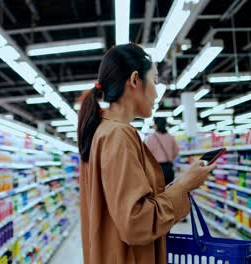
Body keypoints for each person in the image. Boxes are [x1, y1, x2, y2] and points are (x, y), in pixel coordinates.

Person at [77, 43, 216, 264]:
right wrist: (183, 187)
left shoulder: (103, 130)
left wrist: (176, 186)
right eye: (155, 80)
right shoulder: (117, 136)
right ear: (134, 80)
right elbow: (136, 222)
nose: (156, 91)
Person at [145, 117, 180, 186]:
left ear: (156, 125)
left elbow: (146, 154)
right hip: (168, 167)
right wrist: (170, 158)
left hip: (156, 168)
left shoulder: (150, 138)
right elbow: (176, 152)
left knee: (158, 190)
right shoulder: (171, 137)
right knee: (169, 190)